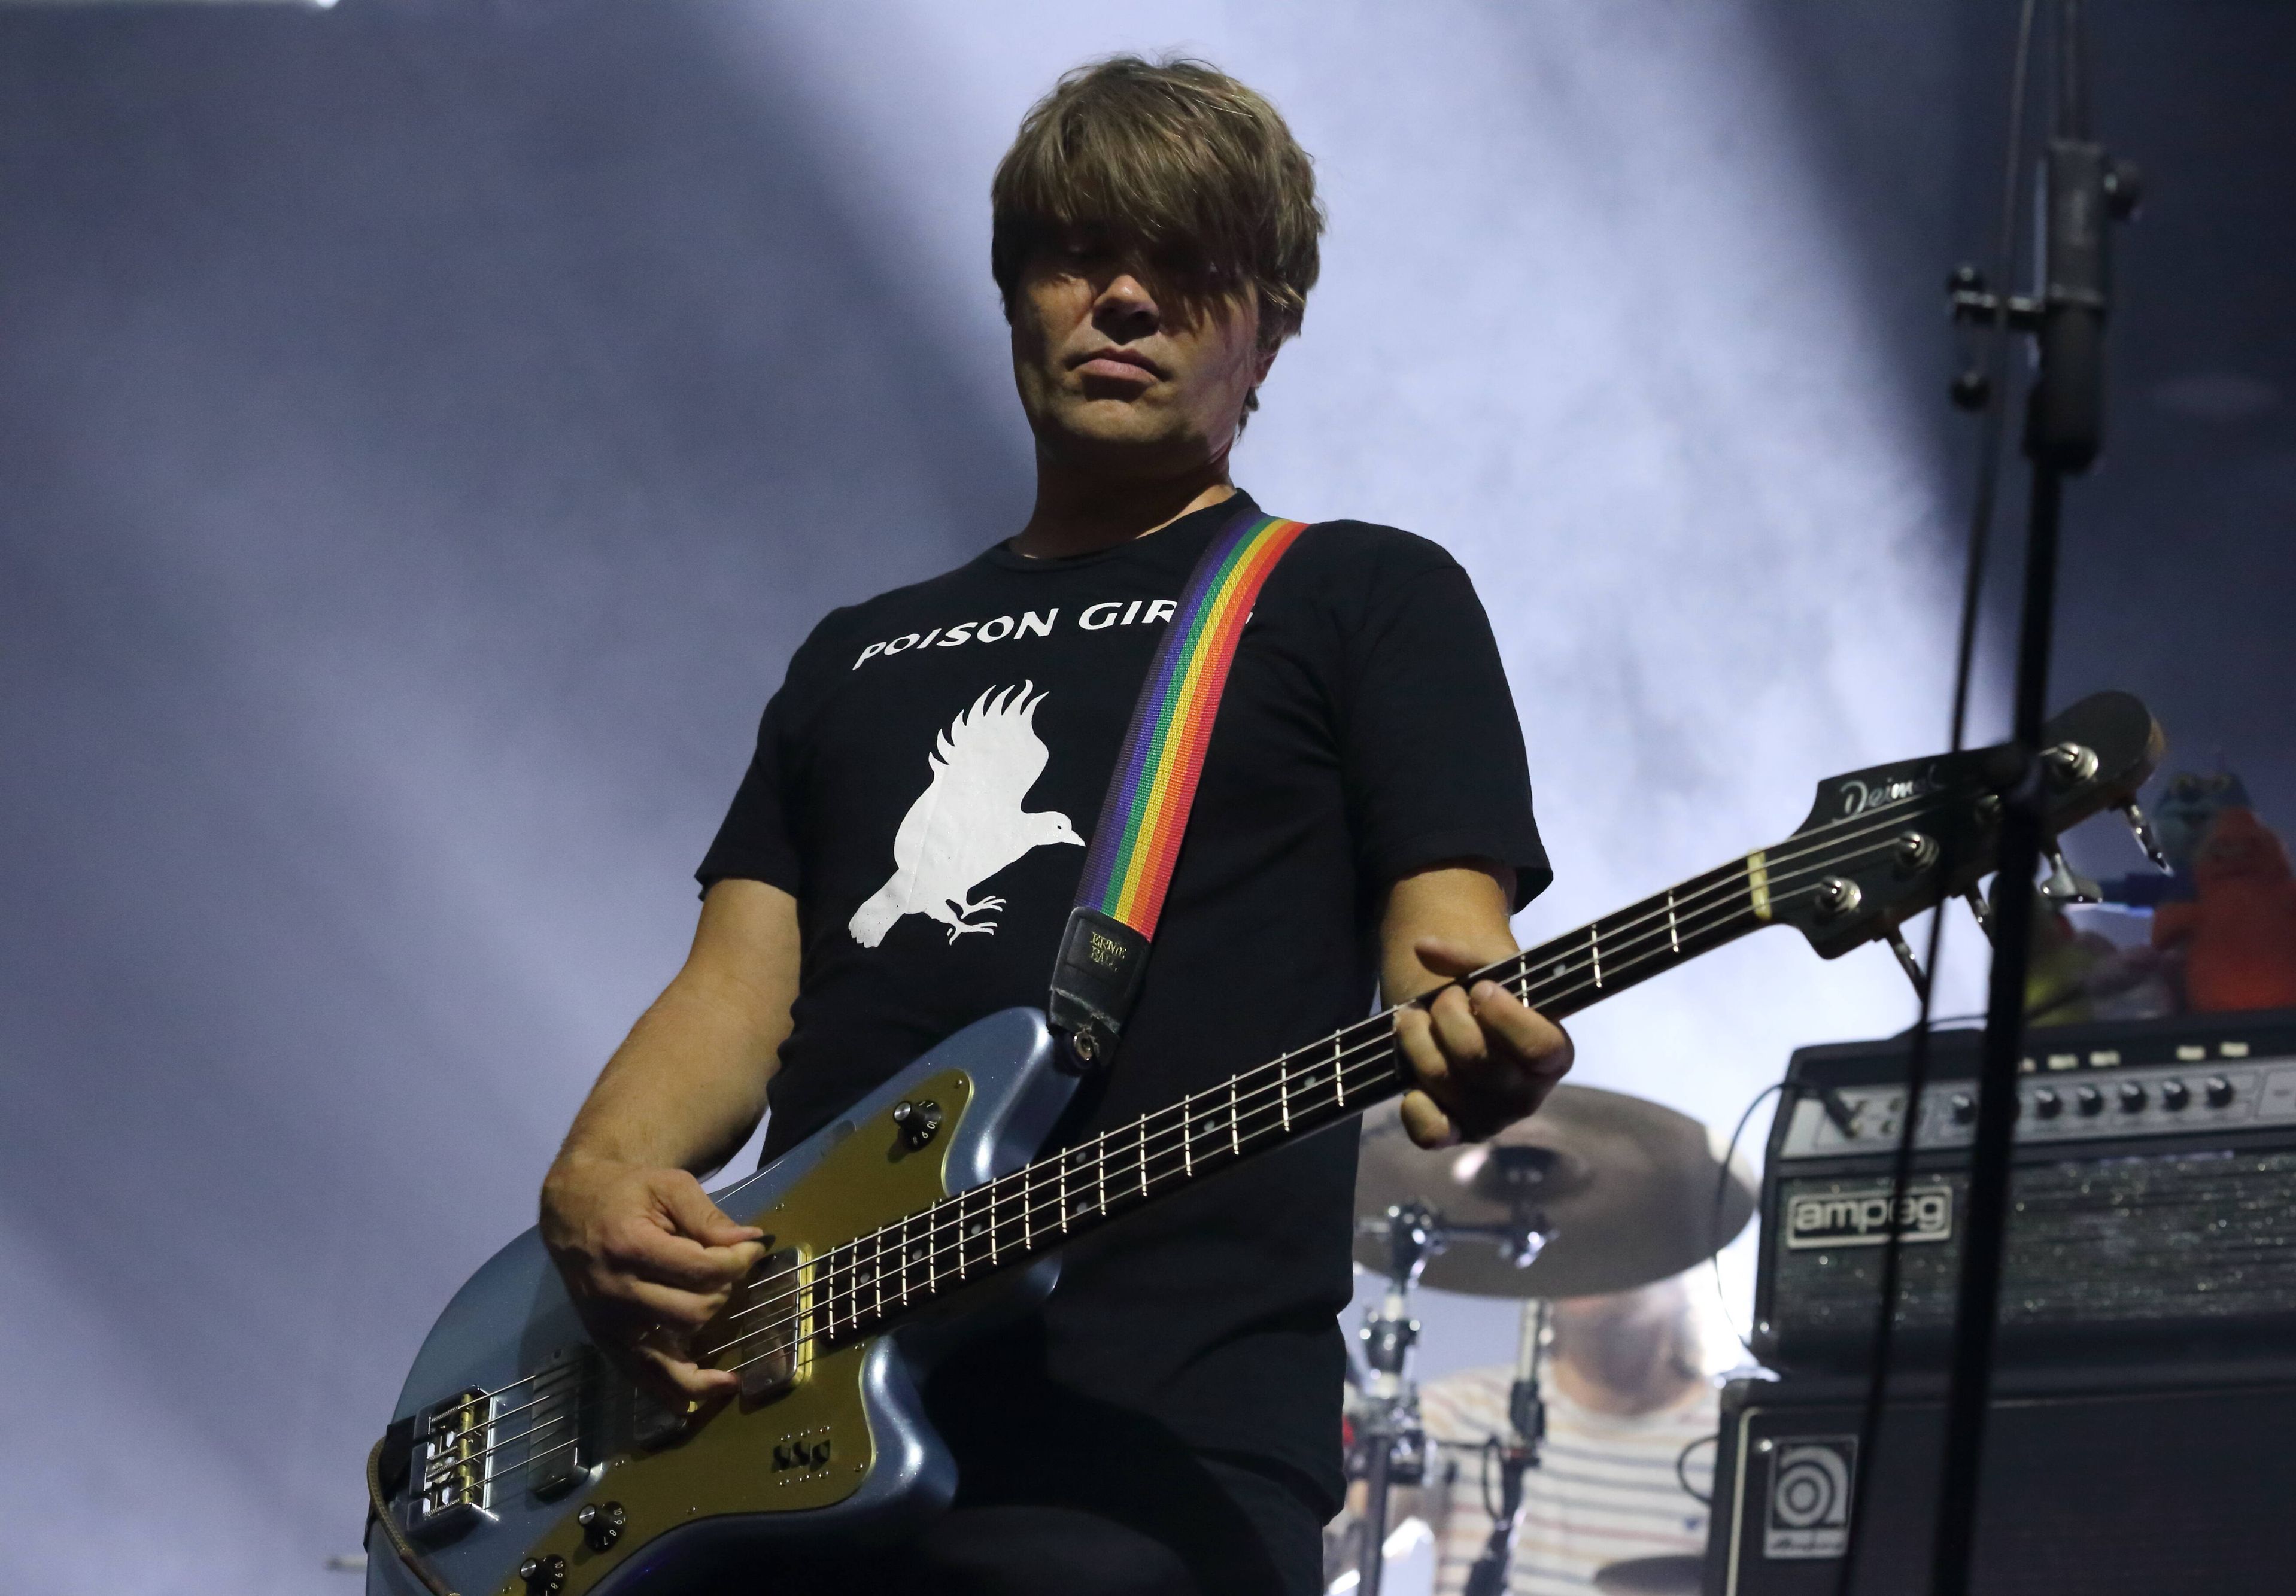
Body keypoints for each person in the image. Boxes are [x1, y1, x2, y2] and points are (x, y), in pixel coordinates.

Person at [534, 55, 1572, 1596]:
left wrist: (1467, 1029)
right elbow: (737, 989)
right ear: (1015, 294)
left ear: (1268, 330)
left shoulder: (1356, 596)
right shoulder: (858, 652)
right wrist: (596, 1179)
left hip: (1143, 1461)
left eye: (1190, 267)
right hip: (757, 1431)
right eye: (1079, 254)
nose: (1125, 299)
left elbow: (1448, 936)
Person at [1416, 1280, 1717, 1595]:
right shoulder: (1455, 1410)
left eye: (1614, 1239)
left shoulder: (1739, 1444)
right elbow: (1360, 1540)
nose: (1594, 1258)